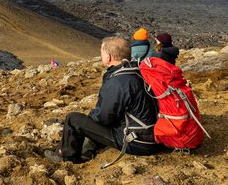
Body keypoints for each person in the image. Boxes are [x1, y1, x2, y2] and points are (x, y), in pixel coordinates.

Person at [44, 36, 160, 164]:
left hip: (137, 142)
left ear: (109, 57)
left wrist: (89, 120)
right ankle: (78, 150)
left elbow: (102, 118)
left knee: (73, 119)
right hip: (152, 136)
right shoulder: (137, 72)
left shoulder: (118, 81)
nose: (101, 56)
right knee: (94, 120)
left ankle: (66, 157)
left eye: (102, 52)